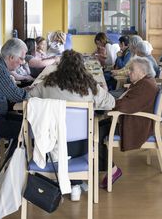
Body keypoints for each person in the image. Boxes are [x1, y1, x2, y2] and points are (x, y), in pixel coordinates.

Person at [29, 49, 115, 200]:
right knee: (96, 126)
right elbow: (111, 103)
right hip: (81, 147)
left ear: (59, 66)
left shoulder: (47, 83)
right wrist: (103, 90)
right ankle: (75, 183)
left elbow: (29, 100)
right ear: (82, 67)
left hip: (50, 145)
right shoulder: (90, 86)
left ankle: (68, 182)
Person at [99, 57, 158, 189]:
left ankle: (112, 169)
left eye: (132, 70)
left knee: (95, 136)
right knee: (96, 128)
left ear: (142, 72)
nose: (129, 72)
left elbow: (127, 106)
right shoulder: (144, 82)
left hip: (135, 126)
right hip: (131, 120)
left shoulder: (145, 86)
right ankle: (102, 166)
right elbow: (127, 101)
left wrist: (107, 100)